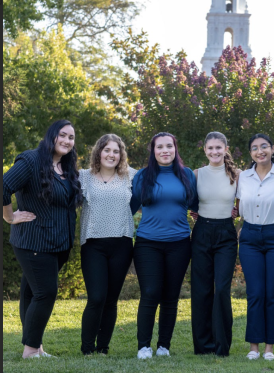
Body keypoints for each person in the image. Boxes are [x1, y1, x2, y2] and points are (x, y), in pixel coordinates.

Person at [3, 119, 82, 359]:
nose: (67, 141)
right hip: (34, 241)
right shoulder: (30, 160)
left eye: (71, 137)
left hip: (58, 243)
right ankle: (30, 351)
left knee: (31, 293)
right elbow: (3, 186)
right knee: (45, 292)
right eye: (63, 135)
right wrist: (9, 217)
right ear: (51, 136)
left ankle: (36, 347)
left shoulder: (66, 167)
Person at [131, 132, 197, 359]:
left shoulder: (187, 175)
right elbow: (128, 207)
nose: (165, 150)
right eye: (160, 147)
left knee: (170, 296)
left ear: (175, 149)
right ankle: (144, 346)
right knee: (150, 292)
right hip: (147, 244)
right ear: (153, 150)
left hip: (179, 244)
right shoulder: (142, 176)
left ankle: (163, 346)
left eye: (169, 146)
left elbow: (197, 205)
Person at [236, 133, 274, 361]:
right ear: (251, 153)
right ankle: (253, 347)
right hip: (250, 237)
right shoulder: (243, 177)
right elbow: (236, 206)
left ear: (272, 149)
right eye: (254, 148)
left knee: (272, 294)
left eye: (264, 146)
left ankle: (269, 348)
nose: (259, 151)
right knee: (255, 293)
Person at [79, 134, 137, 355]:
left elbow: (140, 200)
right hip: (93, 244)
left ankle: (103, 347)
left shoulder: (131, 177)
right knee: (96, 297)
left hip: (121, 244)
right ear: (98, 152)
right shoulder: (83, 177)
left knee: (111, 299)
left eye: (116, 151)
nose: (111, 155)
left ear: (121, 155)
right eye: (107, 150)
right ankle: (87, 348)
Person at [191, 131, 239, 357]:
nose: (214, 152)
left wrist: (238, 210)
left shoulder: (237, 175)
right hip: (201, 232)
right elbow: (191, 203)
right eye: (210, 148)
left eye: (218, 148)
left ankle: (221, 345)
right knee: (201, 289)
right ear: (205, 151)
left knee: (221, 289)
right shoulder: (197, 174)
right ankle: (203, 345)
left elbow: (244, 202)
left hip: (226, 234)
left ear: (225, 149)